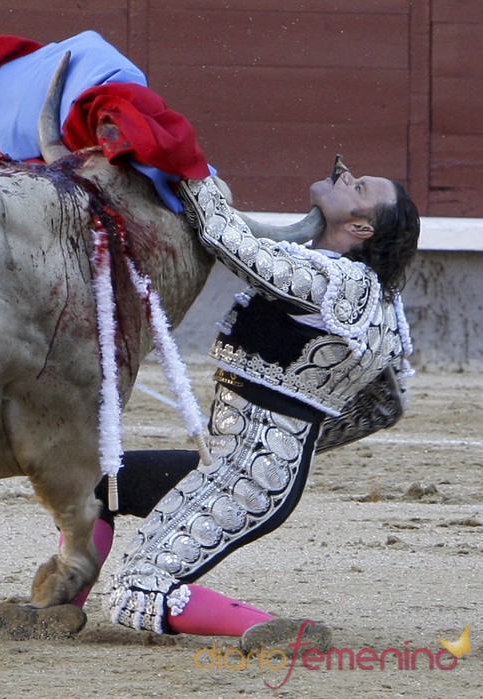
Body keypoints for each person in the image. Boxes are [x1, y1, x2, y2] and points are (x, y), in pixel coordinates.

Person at [71, 162, 419, 651]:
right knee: (103, 488)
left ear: (360, 228)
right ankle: (60, 605)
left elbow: (224, 238)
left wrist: (186, 168)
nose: (344, 176)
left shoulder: (337, 282)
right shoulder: (377, 296)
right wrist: (300, 441)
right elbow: (388, 403)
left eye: (357, 186)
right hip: (245, 466)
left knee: (137, 592)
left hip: (248, 481)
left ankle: (280, 632)